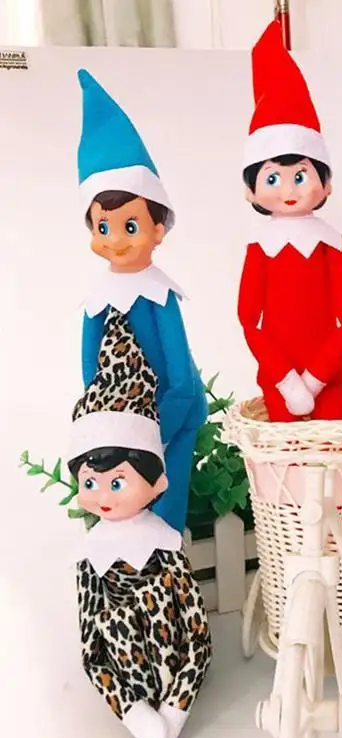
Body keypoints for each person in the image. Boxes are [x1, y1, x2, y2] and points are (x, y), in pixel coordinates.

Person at [67, 308, 211, 738]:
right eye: (90, 482)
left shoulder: (166, 547)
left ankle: (170, 710)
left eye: (117, 482)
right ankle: (137, 713)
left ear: (158, 482)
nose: (103, 495)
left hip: (173, 679)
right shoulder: (91, 559)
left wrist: (175, 710)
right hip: (128, 688)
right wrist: (133, 713)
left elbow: (197, 637)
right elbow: (92, 653)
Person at [77, 68, 206, 534]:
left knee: (163, 509)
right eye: (103, 227)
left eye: (129, 226)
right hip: (118, 425)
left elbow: (180, 379)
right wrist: (101, 424)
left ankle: (164, 562)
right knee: (118, 505)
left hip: (169, 418)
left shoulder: (159, 296)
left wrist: (156, 431)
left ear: (158, 228)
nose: (115, 240)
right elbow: (91, 372)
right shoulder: (97, 300)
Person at [238, 19, 342, 422]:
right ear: (251, 190)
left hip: (329, 380)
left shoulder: (331, 243)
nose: (288, 188)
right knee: (285, 454)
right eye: (273, 178)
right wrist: (288, 380)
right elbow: (249, 321)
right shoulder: (260, 247)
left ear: (326, 184)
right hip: (277, 380)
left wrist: (316, 378)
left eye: (301, 175)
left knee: (331, 452)